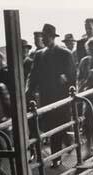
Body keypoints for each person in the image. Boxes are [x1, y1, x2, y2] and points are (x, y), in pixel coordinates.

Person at [26, 23, 76, 167]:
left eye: (47, 36)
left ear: (53, 37)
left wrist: (65, 79)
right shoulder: (39, 55)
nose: (45, 39)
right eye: (43, 36)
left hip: (61, 98)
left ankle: (56, 157)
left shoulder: (65, 53)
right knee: (51, 127)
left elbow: (72, 75)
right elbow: (33, 74)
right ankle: (61, 149)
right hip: (46, 97)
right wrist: (29, 90)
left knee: (58, 126)